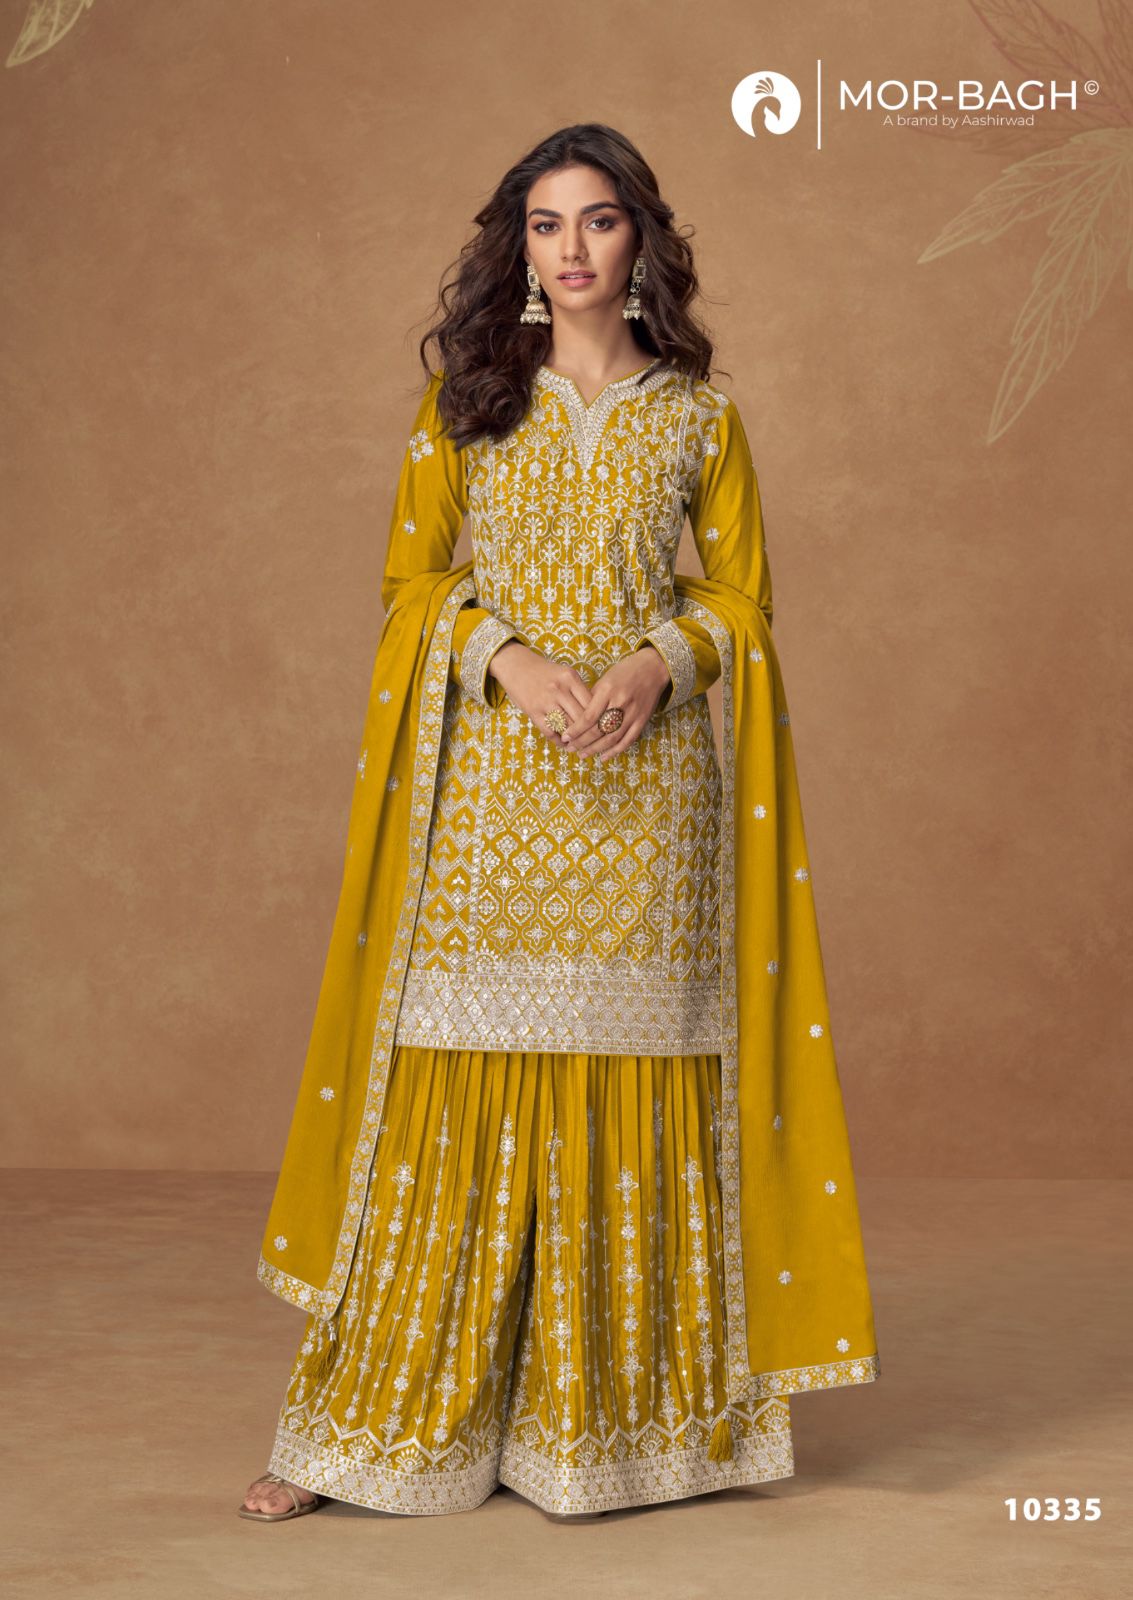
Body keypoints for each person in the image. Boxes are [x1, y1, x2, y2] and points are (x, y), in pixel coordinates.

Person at [239, 122, 880, 1524]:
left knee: (635, 1081)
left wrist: (658, 665)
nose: (572, 247)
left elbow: (744, 600)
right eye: (545, 224)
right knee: (453, 1085)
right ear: (517, 248)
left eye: (598, 219)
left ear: (641, 238)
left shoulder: (699, 417)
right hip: (493, 792)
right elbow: (410, 585)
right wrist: (508, 660)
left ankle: (622, 1433)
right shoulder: (467, 404)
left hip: (652, 800)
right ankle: (370, 1428)